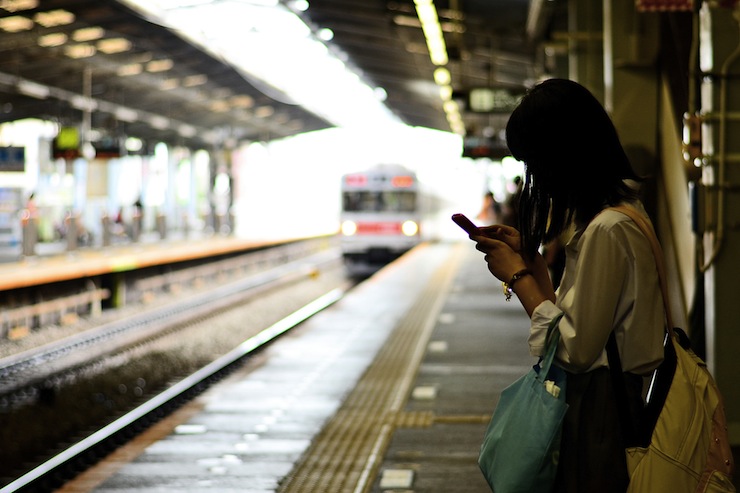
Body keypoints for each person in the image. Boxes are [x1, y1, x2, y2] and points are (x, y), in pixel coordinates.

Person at [469, 79, 665, 492]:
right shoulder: (620, 215)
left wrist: (517, 277)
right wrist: (533, 260)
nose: (535, 176)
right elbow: (575, 316)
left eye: (536, 161)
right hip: (610, 397)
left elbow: (574, 348)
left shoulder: (607, 229)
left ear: (564, 156)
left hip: (602, 408)